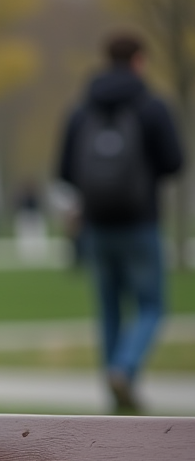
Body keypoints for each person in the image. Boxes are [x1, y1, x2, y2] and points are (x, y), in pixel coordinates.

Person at [58, 31, 184, 414]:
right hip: (140, 221)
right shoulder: (151, 106)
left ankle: (112, 383)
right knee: (151, 304)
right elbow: (175, 161)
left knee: (109, 306)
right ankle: (125, 369)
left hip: (98, 225)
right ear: (139, 60)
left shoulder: (82, 109)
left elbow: (64, 169)